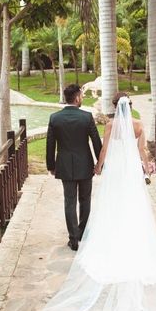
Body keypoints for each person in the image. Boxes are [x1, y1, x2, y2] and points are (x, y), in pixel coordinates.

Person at [33, 92, 156, 311]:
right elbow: (143, 150)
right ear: (131, 106)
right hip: (131, 171)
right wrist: (146, 169)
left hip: (113, 171)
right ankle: (119, 237)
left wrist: (99, 165)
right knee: (131, 206)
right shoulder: (137, 125)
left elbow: (104, 148)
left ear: (114, 107)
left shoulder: (109, 125)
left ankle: (78, 236)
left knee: (100, 203)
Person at [46, 84, 103, 251]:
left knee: (69, 201)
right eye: (82, 96)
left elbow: (50, 145)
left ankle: (73, 239)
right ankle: (82, 233)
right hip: (85, 165)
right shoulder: (87, 117)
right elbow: (96, 141)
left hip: (64, 165)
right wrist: (100, 163)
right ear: (77, 97)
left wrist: (51, 165)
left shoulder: (54, 118)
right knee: (85, 200)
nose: (82, 98)